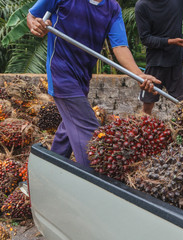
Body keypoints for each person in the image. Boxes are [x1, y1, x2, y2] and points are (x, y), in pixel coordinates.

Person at [27, 0, 161, 167]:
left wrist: (140, 75)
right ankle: (95, 182)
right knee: (92, 137)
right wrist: (35, 25)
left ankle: (47, 172)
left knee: (68, 129)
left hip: (83, 76)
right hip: (61, 72)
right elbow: (32, 16)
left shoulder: (112, 8)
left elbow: (120, 46)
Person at [135, 0, 183, 115]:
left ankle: (180, 131)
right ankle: (143, 130)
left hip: (177, 63)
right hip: (155, 63)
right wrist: (170, 41)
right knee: (147, 107)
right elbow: (145, 39)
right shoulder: (142, 5)